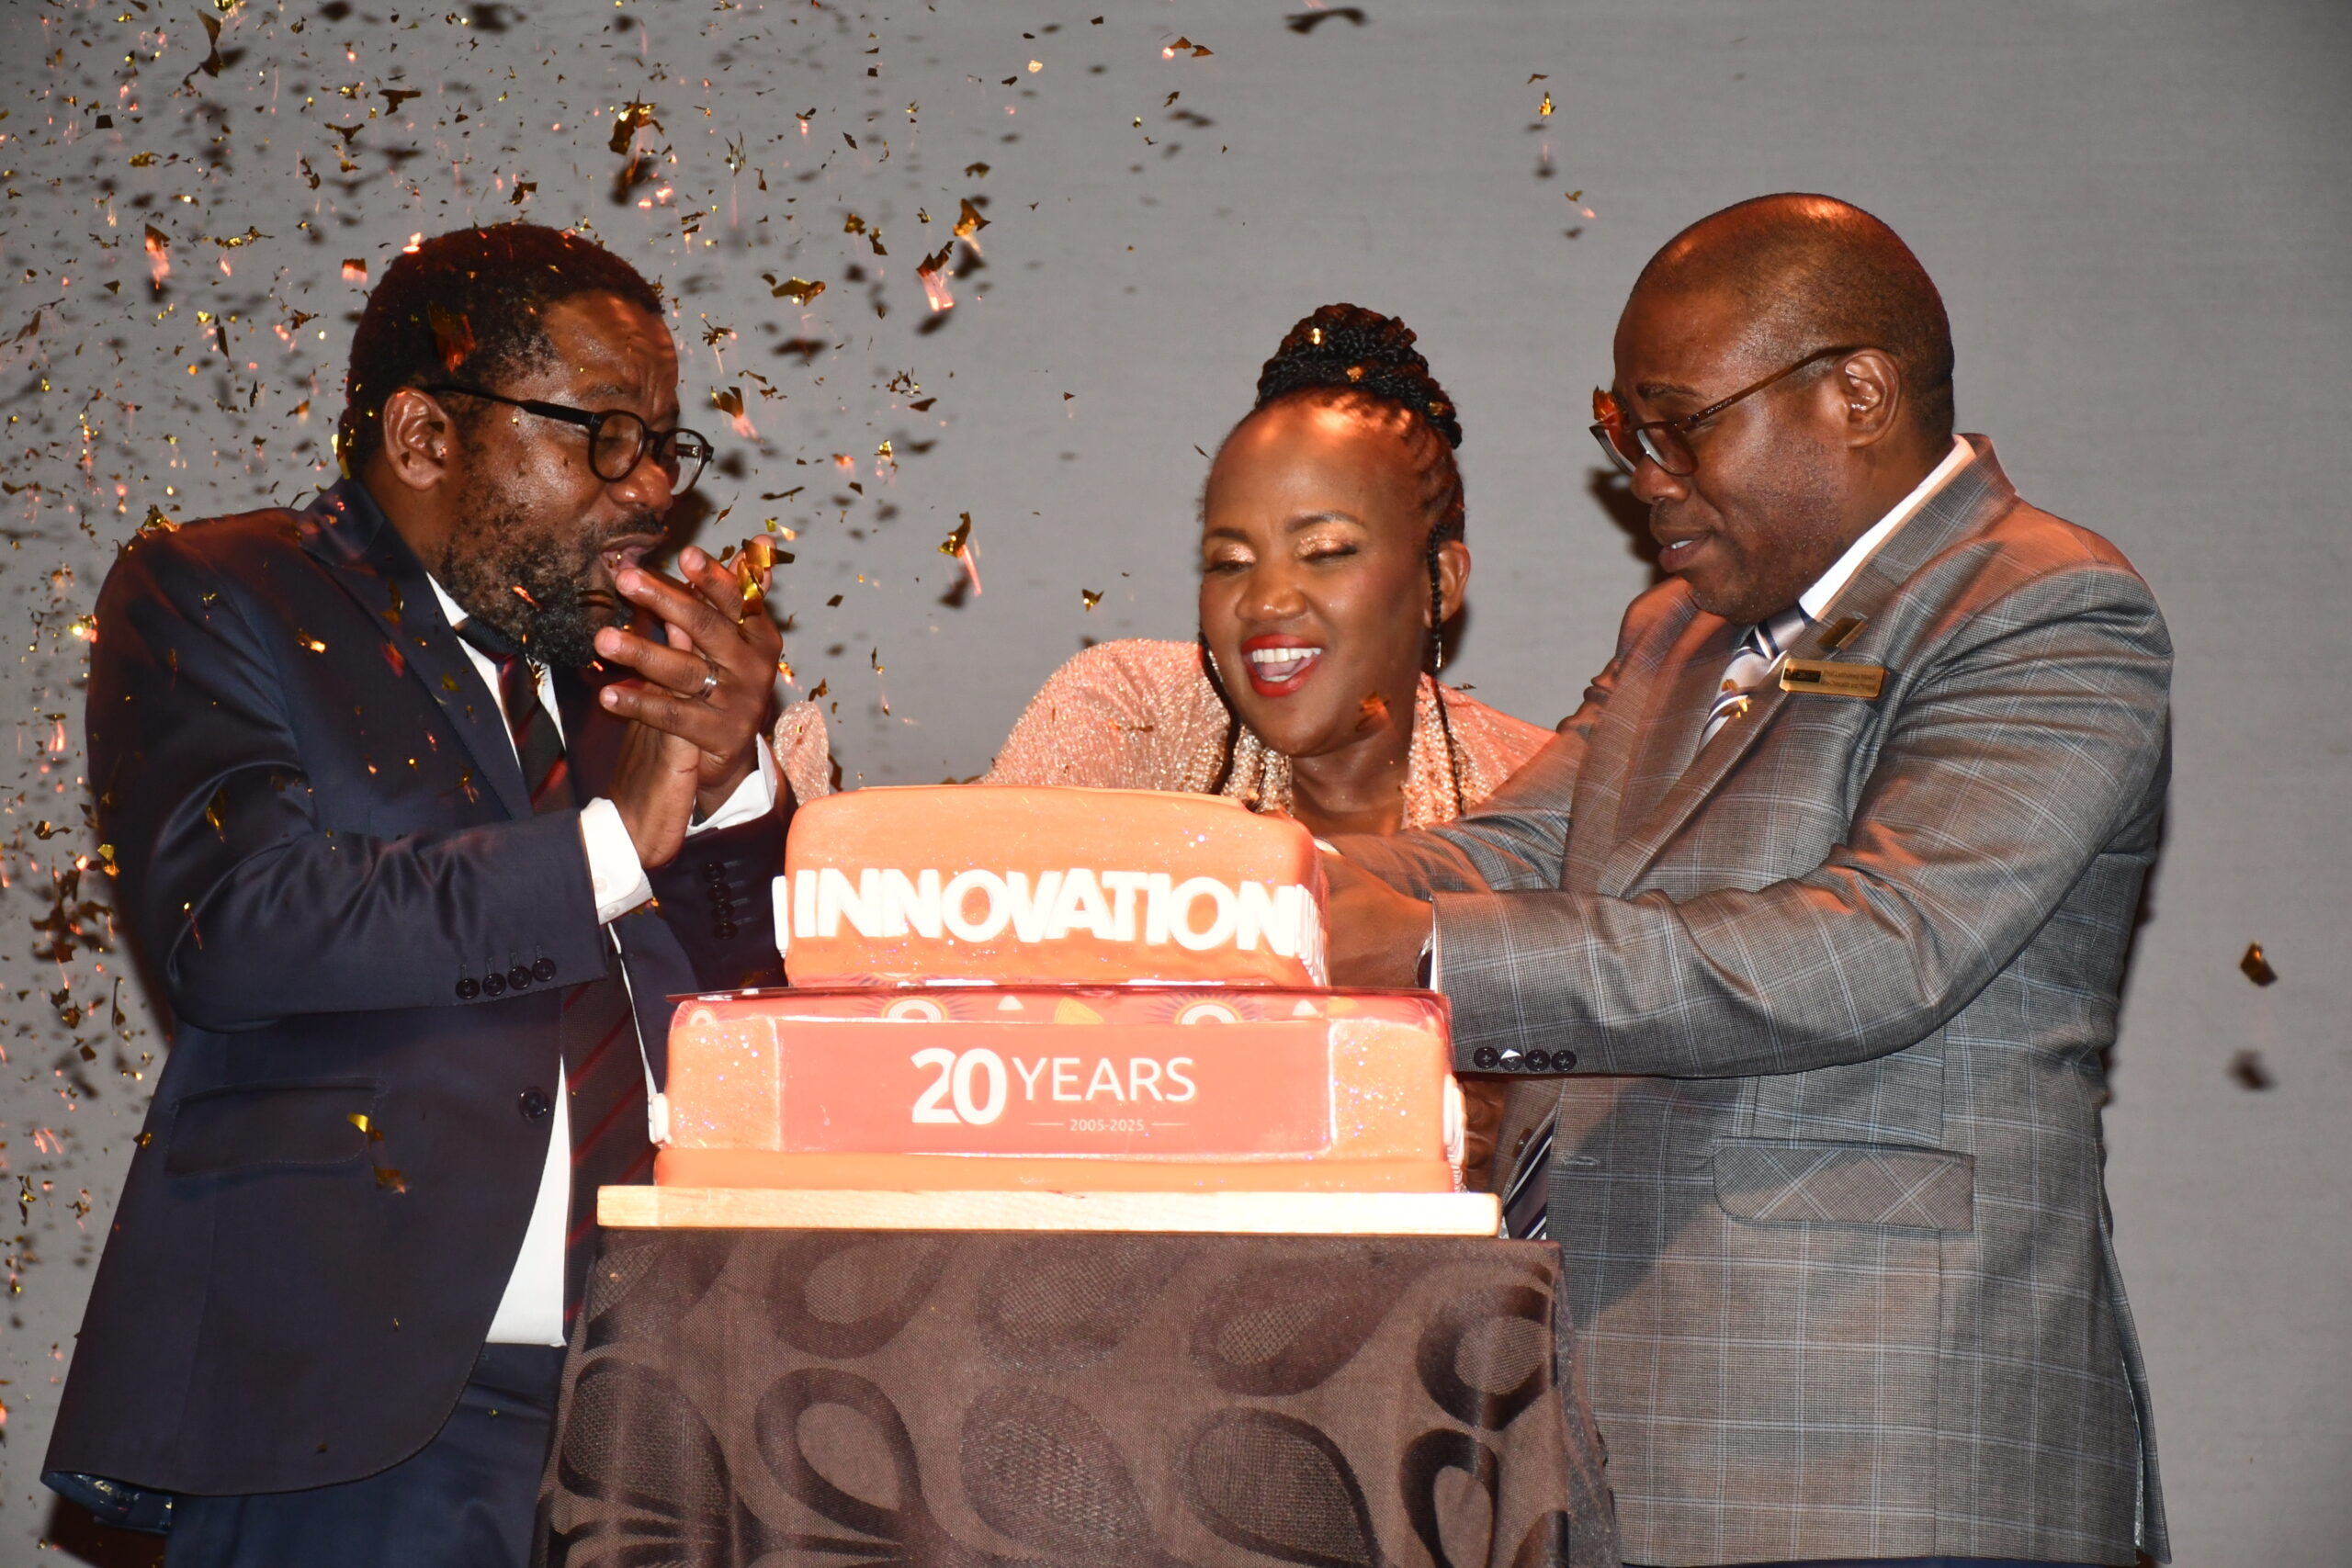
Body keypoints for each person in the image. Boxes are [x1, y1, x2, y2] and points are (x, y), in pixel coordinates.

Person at [1322, 196, 2170, 1568]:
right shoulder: (1679, 634)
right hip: (1614, 1446)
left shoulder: (2040, 607)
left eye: (1679, 424)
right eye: (1622, 431)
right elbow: (1509, 854)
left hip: (1879, 1447)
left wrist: (1427, 953)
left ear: (1857, 391)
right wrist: (1229, 881)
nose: (1643, 473)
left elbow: (1872, 945)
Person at [43, 223, 789, 1566]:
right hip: (368, 1424)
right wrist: (613, 840)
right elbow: (239, 924)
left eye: (666, 444)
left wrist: (734, 788)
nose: (651, 491)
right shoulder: (221, 592)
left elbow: (758, 1011)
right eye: (603, 436)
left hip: (679, 1408)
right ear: (427, 436)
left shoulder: (611, 661)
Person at [979, 303, 1553, 1186]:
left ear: (1440, 579)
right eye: (1230, 561)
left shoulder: (1535, 790)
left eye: (1324, 550)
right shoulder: (1127, 712)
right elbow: (983, 983)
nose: (1267, 600)